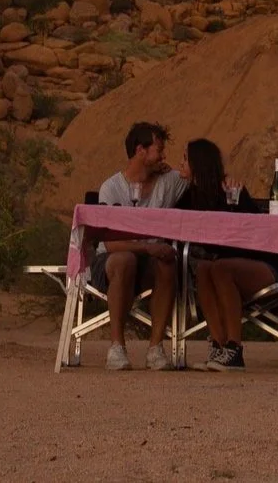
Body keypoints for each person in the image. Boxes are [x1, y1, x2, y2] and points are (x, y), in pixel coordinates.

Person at [175, 138, 277, 371]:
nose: (180, 163)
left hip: (260, 267)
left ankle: (234, 348)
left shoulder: (231, 189)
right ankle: (219, 345)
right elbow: (172, 220)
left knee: (219, 268)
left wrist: (236, 199)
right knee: (203, 270)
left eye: (184, 158)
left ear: (198, 163)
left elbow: (256, 230)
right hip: (223, 270)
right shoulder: (192, 195)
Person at [94, 121, 186, 370]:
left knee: (168, 262)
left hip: (150, 262)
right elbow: (111, 244)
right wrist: (147, 248)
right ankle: (117, 347)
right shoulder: (111, 188)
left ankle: (155, 349)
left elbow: (198, 175)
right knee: (125, 260)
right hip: (112, 262)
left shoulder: (168, 182)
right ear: (140, 151)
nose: (164, 155)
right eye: (158, 149)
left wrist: (227, 180)